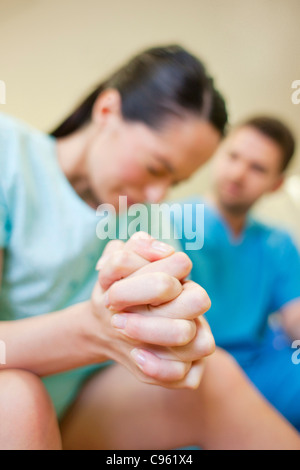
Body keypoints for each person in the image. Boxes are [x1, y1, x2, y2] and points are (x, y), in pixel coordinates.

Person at [0, 45, 299, 450]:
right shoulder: (10, 157)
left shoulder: (149, 220)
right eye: (155, 167)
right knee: (17, 399)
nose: (158, 196)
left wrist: (174, 329)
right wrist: (90, 331)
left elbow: (167, 323)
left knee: (215, 375)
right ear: (107, 111)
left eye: (174, 182)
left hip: (75, 406)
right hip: (15, 399)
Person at [174, 116, 300, 431]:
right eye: (233, 156)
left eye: (257, 168)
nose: (238, 174)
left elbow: (295, 320)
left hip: (260, 367)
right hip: (197, 369)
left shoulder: (277, 242)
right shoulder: (173, 224)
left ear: (277, 184)